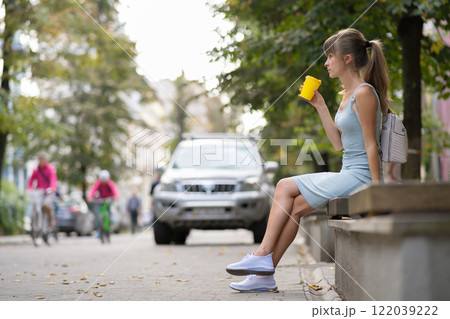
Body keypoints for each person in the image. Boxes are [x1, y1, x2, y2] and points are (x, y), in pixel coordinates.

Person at [226, 28, 389, 292]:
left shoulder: (364, 93)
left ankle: (261, 255)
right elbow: (338, 144)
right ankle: (264, 277)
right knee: (294, 207)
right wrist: (321, 106)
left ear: (347, 58)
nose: (326, 63)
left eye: (330, 56)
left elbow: (372, 145)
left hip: (360, 177)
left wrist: (377, 191)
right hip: (349, 172)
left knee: (283, 186)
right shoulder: (347, 95)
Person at [27, 152, 58, 230]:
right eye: (40, 159)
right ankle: (36, 225)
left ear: (45, 160)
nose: (41, 161)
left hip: (49, 191)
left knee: (46, 204)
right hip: (39, 191)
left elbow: (53, 179)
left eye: (42, 159)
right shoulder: (36, 170)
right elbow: (31, 180)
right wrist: (29, 188)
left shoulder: (50, 169)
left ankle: (51, 220)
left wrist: (52, 187)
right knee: (36, 206)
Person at [87, 170, 119, 236]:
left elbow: (114, 190)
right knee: (99, 213)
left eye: (105, 180)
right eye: (102, 181)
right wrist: (90, 197)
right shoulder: (98, 183)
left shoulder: (110, 183)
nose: (104, 182)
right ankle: (99, 229)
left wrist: (116, 196)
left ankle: (110, 217)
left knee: (109, 206)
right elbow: (93, 190)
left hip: (109, 198)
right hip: (101, 198)